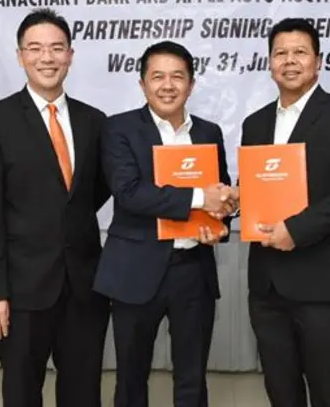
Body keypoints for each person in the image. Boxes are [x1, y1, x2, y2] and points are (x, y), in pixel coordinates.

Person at [0, 8, 111, 407]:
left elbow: (91, 194)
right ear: (20, 56)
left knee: (83, 394)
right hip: (19, 291)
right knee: (22, 393)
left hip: (84, 287)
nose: (47, 57)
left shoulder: (94, 121)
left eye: (57, 48)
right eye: (35, 48)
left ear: (70, 55)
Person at [233, 17, 330, 407]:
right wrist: (234, 200)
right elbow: (256, 187)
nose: (290, 61)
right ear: (269, 63)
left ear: (318, 61)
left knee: (327, 385)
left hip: (320, 278)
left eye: (300, 52)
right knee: (280, 385)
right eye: (280, 53)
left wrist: (296, 229)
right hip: (266, 281)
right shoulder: (255, 123)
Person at [94, 40, 234, 407]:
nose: (167, 85)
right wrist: (201, 198)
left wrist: (222, 219)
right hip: (135, 269)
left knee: (192, 377)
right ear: (142, 84)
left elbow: (220, 193)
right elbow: (129, 193)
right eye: (157, 77)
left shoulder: (208, 132)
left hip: (193, 270)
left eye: (177, 76)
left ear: (191, 84)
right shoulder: (119, 128)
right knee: (131, 377)